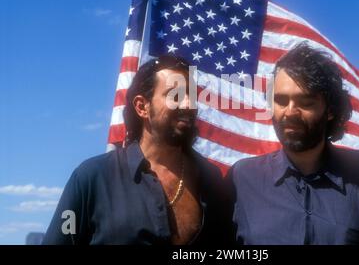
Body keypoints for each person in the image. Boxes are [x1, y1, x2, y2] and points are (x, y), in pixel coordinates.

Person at [228, 43, 359, 245]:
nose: (290, 112)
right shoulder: (242, 178)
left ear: (330, 110)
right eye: (281, 101)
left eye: (305, 102)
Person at [43, 55, 231, 245]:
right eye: (176, 95)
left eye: (192, 95)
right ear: (142, 107)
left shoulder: (211, 180)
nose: (189, 105)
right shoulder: (92, 178)